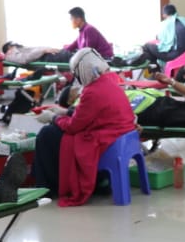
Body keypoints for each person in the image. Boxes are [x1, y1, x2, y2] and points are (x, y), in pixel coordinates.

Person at [33, 49, 136, 207]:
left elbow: (74, 127)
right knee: (54, 132)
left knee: (47, 134)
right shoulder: (109, 82)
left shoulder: (92, 91)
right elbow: (93, 114)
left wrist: (54, 117)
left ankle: (48, 186)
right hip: (121, 133)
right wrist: (65, 112)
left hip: (105, 138)